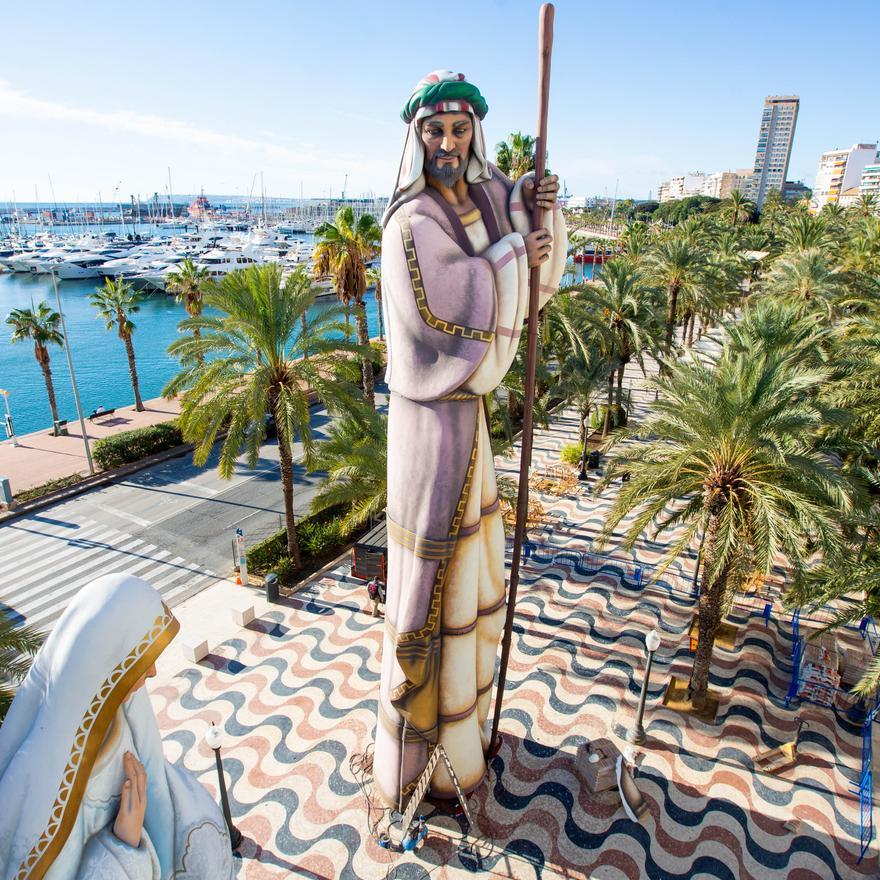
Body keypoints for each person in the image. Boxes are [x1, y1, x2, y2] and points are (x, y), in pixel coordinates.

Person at [374, 70, 567, 808]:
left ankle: (466, 730)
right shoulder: (409, 223)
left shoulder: (475, 196)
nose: (448, 144)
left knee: (474, 577)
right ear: (415, 137)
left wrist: (533, 203)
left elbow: (512, 211)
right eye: (434, 131)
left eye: (459, 130)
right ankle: (425, 747)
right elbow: (455, 309)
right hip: (431, 431)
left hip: (470, 427)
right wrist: (517, 250)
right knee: (437, 583)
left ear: (474, 133)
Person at [0, 573, 234, 879]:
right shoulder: (42, 788)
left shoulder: (120, 707)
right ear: (109, 665)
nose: (151, 672)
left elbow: (159, 780)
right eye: (142, 661)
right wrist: (124, 844)